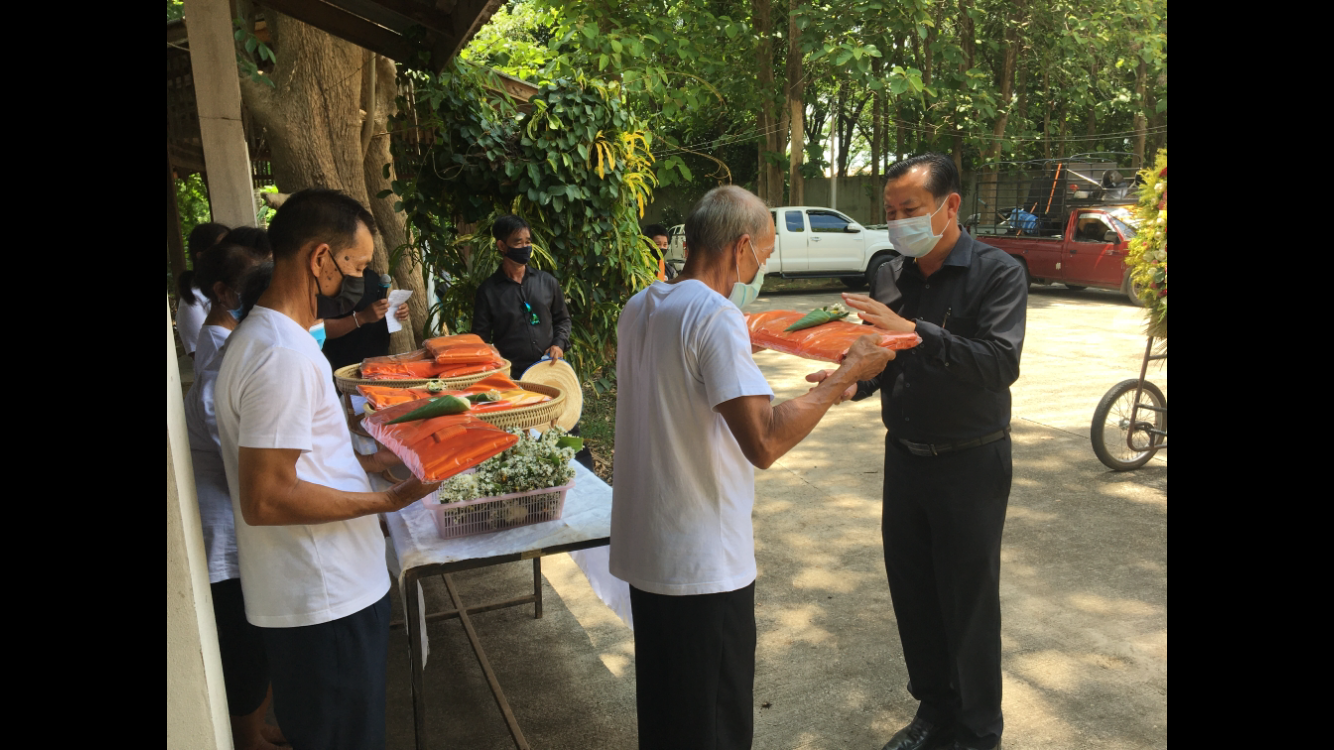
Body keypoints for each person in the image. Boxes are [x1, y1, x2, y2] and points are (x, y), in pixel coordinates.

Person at [610, 185, 893, 750]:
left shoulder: (642, 306)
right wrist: (847, 374)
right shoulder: (714, 315)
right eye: (762, 255)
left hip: (650, 553)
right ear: (740, 247)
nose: (760, 268)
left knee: (667, 718)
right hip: (702, 565)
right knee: (713, 725)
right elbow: (764, 441)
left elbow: (682, 373)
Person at [214, 188, 439, 749]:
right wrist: (389, 500)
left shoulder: (272, 340)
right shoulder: (281, 356)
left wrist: (372, 458)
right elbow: (267, 497)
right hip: (324, 601)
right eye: (356, 268)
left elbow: (302, 460)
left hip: (318, 596)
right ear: (320, 259)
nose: (361, 281)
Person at [829, 154, 1027, 750]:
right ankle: (934, 713)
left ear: (950, 205)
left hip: (971, 462)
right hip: (905, 458)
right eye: (890, 212)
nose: (898, 223)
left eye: (910, 210)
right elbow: (885, 359)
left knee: (968, 604)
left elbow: (999, 363)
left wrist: (915, 330)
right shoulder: (892, 274)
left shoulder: (998, 272)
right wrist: (852, 382)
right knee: (913, 594)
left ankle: (978, 732)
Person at [185, 261, 284, 750]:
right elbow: (251, 473)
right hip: (225, 530)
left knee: (259, 639)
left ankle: (257, 727)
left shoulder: (243, 353)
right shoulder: (223, 368)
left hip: (243, 523)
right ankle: (247, 738)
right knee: (245, 643)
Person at [471, 214, 572, 377]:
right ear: (502, 246)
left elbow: (563, 319)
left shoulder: (547, 282)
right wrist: (492, 358)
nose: (525, 247)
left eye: (528, 242)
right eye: (518, 243)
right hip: (511, 376)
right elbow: (480, 340)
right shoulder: (488, 292)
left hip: (549, 370)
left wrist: (558, 344)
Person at [320, 269, 410, 372]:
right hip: (342, 367)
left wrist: (397, 310)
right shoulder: (330, 281)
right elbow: (318, 329)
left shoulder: (373, 277)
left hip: (376, 364)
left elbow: (377, 312)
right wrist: (361, 318)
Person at [193, 244, 261, 369]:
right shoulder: (219, 346)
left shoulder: (229, 334)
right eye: (249, 288)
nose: (256, 295)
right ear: (221, 291)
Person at [177, 221, 229, 356]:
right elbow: (200, 354)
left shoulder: (233, 288)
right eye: (221, 247)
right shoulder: (192, 300)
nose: (230, 252)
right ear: (201, 256)